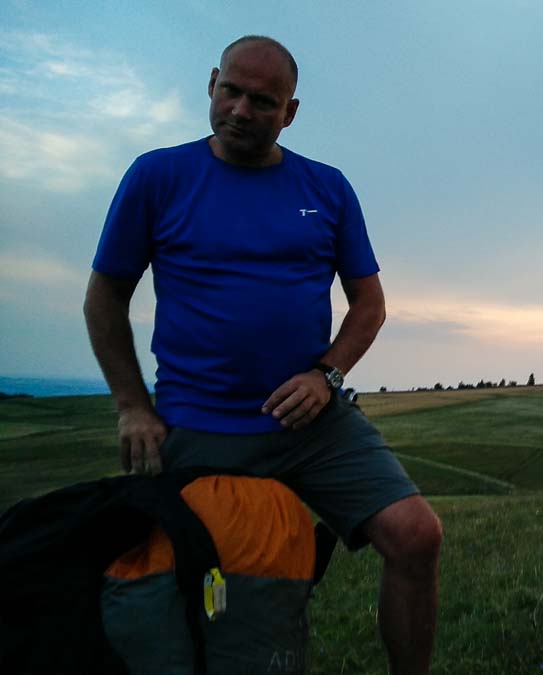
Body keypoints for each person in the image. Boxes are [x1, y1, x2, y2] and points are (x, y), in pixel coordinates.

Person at [83, 35, 441, 675]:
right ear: (211, 84)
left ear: (290, 112)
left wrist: (326, 375)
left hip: (311, 424)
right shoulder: (157, 176)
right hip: (198, 424)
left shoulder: (327, 187)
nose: (241, 111)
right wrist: (132, 406)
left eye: (263, 102)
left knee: (417, 536)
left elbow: (369, 304)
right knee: (177, 578)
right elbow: (105, 296)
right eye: (231, 92)